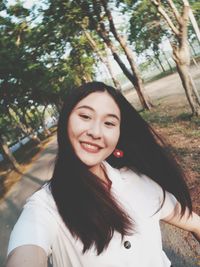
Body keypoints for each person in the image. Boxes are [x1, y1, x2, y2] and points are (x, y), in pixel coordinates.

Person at [6, 81, 200, 267]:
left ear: (118, 134)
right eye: (85, 116)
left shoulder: (140, 182)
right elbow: (25, 252)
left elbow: (194, 223)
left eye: (109, 123)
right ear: (65, 121)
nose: (96, 132)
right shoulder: (45, 206)